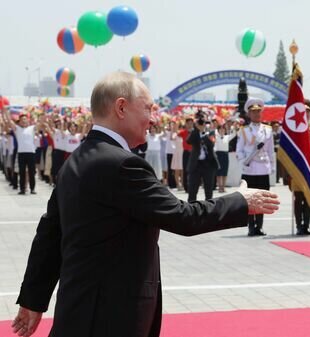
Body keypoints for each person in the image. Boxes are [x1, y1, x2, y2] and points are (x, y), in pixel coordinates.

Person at [12, 72, 280, 337]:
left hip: (79, 310)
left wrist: (33, 300)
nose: (152, 119)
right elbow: (182, 216)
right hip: (111, 317)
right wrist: (241, 201)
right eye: (148, 108)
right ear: (121, 107)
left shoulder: (76, 160)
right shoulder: (122, 164)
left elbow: (49, 235)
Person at [236, 98, 276, 236]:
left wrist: (272, 166)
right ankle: (251, 227)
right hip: (249, 169)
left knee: (262, 199)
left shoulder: (268, 130)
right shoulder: (244, 131)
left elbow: (271, 150)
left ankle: (259, 226)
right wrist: (244, 162)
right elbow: (239, 150)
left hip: (263, 168)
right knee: (249, 199)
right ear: (249, 114)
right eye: (253, 112)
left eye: (258, 111)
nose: (256, 114)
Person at [288, 99, 310, 235]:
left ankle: (307, 224)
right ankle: (299, 225)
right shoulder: (293, 131)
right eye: (303, 111)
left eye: (308, 111)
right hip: (296, 170)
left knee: (308, 198)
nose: (305, 114)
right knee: (298, 198)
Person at [2, 112, 41, 195]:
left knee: (31, 172)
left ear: (28, 121)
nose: (24, 121)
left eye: (25, 119)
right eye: (22, 119)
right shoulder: (17, 129)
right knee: (22, 172)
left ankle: (32, 189)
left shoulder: (32, 128)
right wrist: (4, 112)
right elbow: (9, 121)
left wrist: (39, 114)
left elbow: (39, 123)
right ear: (19, 122)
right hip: (21, 153)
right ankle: (22, 189)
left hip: (31, 153)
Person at [186, 113, 218, 201]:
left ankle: (209, 209)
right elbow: (188, 141)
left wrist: (203, 133)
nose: (201, 124)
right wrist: (196, 130)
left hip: (208, 164)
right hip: (196, 164)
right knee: (192, 189)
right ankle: (191, 209)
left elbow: (211, 144)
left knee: (208, 190)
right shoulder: (194, 133)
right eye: (200, 123)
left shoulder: (210, 132)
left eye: (203, 123)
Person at [214, 122, 232, 193]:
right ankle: (219, 186)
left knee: (224, 171)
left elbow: (234, 134)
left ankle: (223, 187)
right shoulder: (216, 137)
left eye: (223, 129)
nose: (222, 130)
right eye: (220, 129)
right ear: (218, 130)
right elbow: (213, 132)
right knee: (219, 172)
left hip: (225, 155)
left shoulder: (227, 137)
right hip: (218, 154)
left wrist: (234, 125)